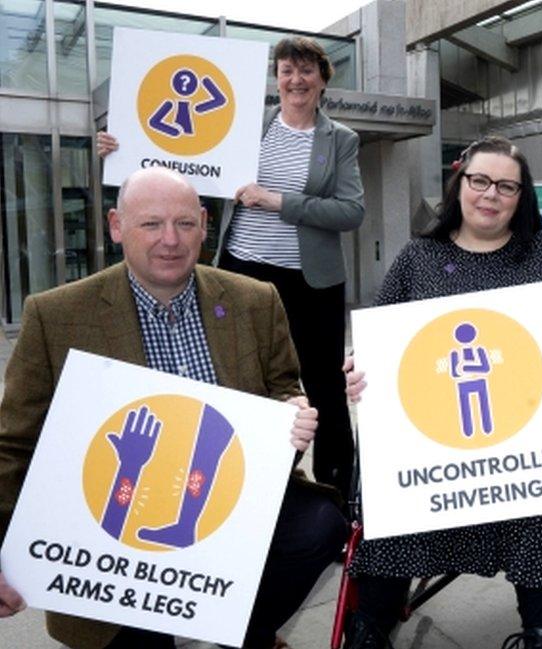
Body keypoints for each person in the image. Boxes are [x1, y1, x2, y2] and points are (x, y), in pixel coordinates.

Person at [0, 168, 348, 649]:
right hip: (113, 527)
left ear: (205, 225)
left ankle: (241, 629)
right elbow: (12, 444)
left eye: (185, 224)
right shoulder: (56, 316)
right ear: (116, 225)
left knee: (320, 525)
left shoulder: (254, 301)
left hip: (226, 500)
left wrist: (289, 417)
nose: (170, 240)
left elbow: (283, 392)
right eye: (151, 224)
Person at [342, 136, 542, 649]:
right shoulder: (418, 258)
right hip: (433, 446)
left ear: (522, 196)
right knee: (396, 503)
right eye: (480, 181)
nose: (491, 195)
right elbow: (376, 347)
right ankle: (370, 626)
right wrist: (358, 371)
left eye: (506, 186)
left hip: (525, 445)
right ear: (460, 183)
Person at [98, 36, 365, 500]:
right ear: (276, 78)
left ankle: (340, 494)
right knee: (241, 378)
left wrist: (276, 201)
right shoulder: (246, 127)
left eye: (306, 71)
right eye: (286, 70)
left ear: (322, 79)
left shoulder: (340, 139)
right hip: (242, 272)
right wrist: (126, 150)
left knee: (323, 384)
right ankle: (243, 487)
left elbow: (351, 211)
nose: (295, 80)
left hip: (311, 281)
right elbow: (185, 160)